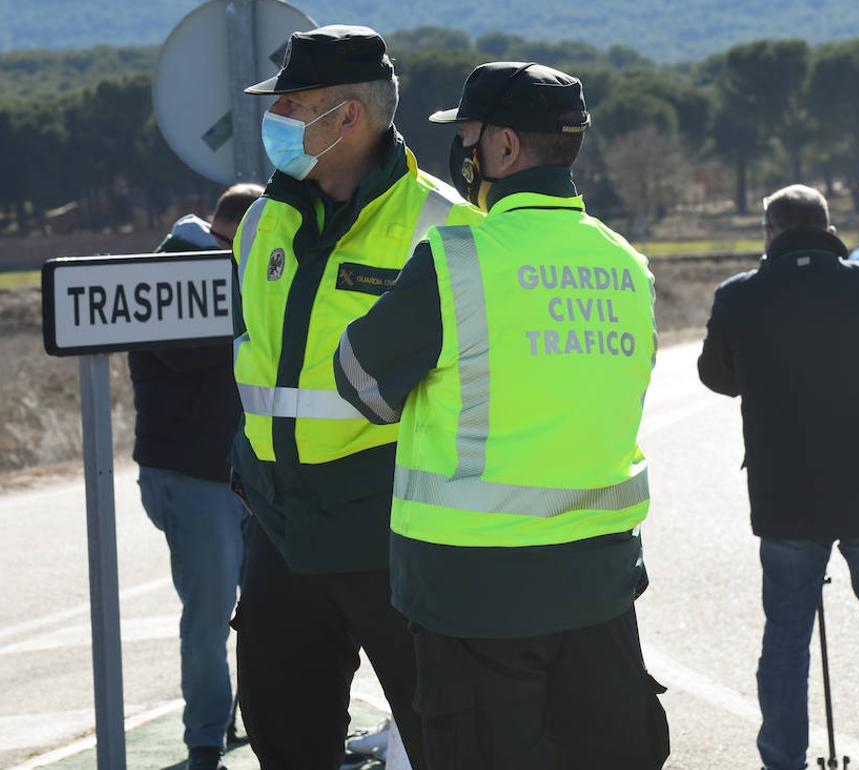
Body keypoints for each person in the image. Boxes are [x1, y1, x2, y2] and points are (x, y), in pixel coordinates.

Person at [333, 61, 670, 770]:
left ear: (506, 149)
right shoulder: (627, 265)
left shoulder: (455, 258)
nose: (461, 152)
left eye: (468, 136)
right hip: (598, 588)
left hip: (473, 597)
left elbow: (358, 382)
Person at [227, 25, 481, 770]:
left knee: (441, 736)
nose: (275, 118)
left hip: (390, 531)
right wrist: (247, 469)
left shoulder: (446, 228)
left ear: (348, 118)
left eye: (292, 103)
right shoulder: (259, 222)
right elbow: (248, 359)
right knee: (283, 733)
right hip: (280, 528)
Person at [697, 184, 859, 770]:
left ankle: (783, 761)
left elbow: (715, 376)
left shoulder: (740, 298)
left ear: (770, 232)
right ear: (828, 227)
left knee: (786, 638)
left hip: (787, 497)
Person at [129, 183, 263, 770]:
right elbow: (188, 355)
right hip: (191, 476)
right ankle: (205, 738)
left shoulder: (229, 274)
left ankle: (254, 720)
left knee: (266, 612)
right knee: (210, 616)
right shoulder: (174, 275)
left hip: (239, 476)